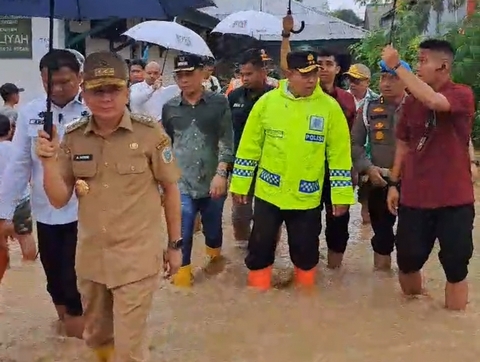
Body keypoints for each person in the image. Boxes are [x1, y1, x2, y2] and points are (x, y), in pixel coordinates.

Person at [35, 51, 182, 361]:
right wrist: (48, 162)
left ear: (127, 91)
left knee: (130, 348)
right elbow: (59, 199)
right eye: (97, 91)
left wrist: (174, 245)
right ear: (84, 93)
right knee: (97, 337)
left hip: (137, 260)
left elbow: (170, 189)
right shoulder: (74, 138)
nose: (106, 98)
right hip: (92, 260)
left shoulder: (149, 134)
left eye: (114, 89)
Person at [230, 51, 355, 290]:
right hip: (269, 193)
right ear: (289, 75)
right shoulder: (267, 103)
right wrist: (240, 185)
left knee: (306, 252)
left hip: (306, 196)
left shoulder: (329, 108)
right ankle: (258, 298)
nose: (311, 80)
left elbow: (339, 158)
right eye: (304, 74)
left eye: (314, 73)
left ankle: (304, 306)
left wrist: (341, 196)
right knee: (260, 248)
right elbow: (248, 148)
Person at [383, 39, 475, 311]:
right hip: (414, 197)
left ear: (443, 66)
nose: (418, 65)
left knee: (456, 266)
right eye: (416, 60)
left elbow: (434, 101)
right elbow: (403, 143)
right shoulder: (411, 103)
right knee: (408, 260)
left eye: (423, 61)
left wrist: (398, 66)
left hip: (454, 200)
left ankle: (452, 326)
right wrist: (393, 183)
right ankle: (411, 317)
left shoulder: (462, 94)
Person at [0, 49, 86, 337]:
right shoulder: (30, 112)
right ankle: (66, 338)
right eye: (52, 83)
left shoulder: (91, 111)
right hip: (46, 212)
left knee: (75, 280)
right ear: (42, 79)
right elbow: (19, 165)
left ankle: (80, 339)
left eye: (67, 81)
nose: (59, 89)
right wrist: (3, 212)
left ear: (80, 77)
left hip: (84, 211)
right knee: (53, 280)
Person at [162, 54, 234, 287]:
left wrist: (222, 173)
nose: (184, 80)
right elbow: (167, 145)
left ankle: (214, 259)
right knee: (183, 223)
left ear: (203, 74)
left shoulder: (219, 103)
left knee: (212, 227)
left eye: (189, 74)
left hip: (213, 179)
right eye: (179, 75)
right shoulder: (170, 107)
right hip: (182, 181)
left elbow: (226, 139)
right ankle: (182, 275)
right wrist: (163, 181)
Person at [351, 59, 410, 271]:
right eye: (383, 77)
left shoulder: (418, 107)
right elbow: (355, 143)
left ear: (405, 80)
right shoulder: (368, 108)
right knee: (382, 239)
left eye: (393, 77)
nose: (386, 83)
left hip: (411, 183)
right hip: (378, 181)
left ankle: (410, 292)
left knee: (412, 241)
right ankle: (382, 287)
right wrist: (367, 167)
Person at [228, 48, 276, 248]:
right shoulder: (234, 97)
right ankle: (241, 250)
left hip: (270, 163)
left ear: (263, 72)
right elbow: (227, 131)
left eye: (249, 74)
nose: (244, 78)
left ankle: (267, 249)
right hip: (242, 163)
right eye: (241, 74)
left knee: (270, 213)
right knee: (240, 213)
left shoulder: (276, 98)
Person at [0, 115, 36, 284]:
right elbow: (28, 175)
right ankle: (28, 270)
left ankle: (5, 270)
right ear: (10, 130)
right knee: (25, 237)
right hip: (20, 200)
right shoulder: (17, 150)